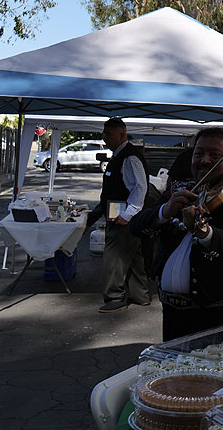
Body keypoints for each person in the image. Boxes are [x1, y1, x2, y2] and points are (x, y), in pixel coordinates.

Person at [129, 127, 223, 341]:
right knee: (177, 371)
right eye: (199, 153)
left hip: (218, 317)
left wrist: (205, 232)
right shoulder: (182, 193)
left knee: (216, 372)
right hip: (173, 314)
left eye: (215, 155)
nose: (204, 160)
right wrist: (165, 211)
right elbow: (135, 227)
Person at [87, 118, 151, 313]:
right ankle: (140, 295)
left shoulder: (129, 157)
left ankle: (115, 297)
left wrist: (128, 214)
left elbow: (140, 188)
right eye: (104, 133)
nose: (104, 138)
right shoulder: (120, 155)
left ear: (122, 134)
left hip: (124, 216)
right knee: (132, 255)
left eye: (108, 134)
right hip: (121, 214)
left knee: (115, 257)